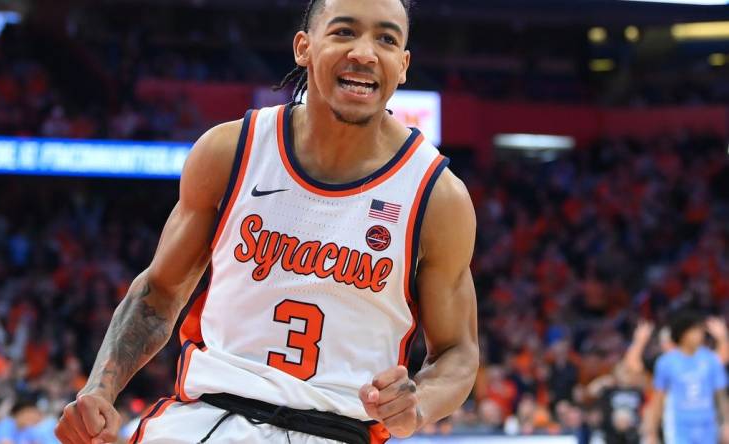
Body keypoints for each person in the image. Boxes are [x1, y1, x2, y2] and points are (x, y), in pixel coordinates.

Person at [54, 0, 479, 443]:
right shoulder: (229, 151)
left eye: (386, 39)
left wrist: (419, 404)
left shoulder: (437, 196)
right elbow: (158, 293)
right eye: (344, 32)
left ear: (404, 64)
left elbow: (458, 353)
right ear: (304, 47)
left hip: (339, 428)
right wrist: (100, 390)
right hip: (210, 419)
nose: (365, 53)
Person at [645, 311, 729, 444]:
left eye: (701, 331)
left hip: (707, 424)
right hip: (678, 426)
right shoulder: (666, 362)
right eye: (695, 331)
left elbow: (721, 395)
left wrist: (727, 423)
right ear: (682, 334)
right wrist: (651, 433)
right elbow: (658, 399)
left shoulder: (711, 360)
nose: (700, 335)